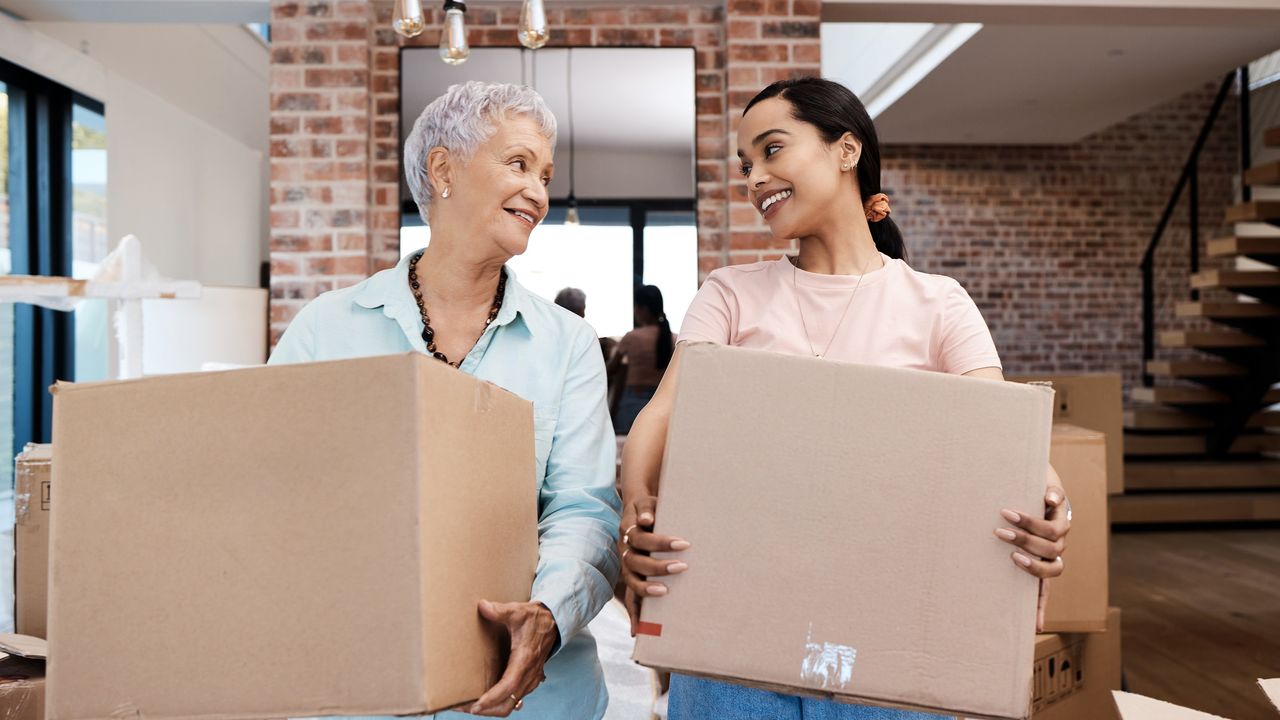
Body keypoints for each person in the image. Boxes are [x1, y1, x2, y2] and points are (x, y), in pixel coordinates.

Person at [617, 78, 1072, 719]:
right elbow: (663, 414)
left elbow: (1001, 439)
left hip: (890, 652)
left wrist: (1051, 508)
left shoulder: (937, 303)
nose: (754, 179)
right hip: (736, 642)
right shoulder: (730, 294)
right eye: (746, 165)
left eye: (773, 150)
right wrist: (635, 512)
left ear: (846, 149)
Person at [270, 81, 620, 720]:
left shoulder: (566, 343)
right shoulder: (326, 328)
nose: (539, 193)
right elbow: (272, 495)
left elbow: (584, 507)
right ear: (443, 169)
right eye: (518, 164)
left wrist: (547, 614)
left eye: (545, 174)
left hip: (536, 701)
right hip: (365, 687)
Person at [609, 285, 675, 435]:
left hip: (634, 401)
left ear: (643, 309)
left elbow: (611, 368)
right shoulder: (674, 339)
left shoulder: (632, 337)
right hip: (666, 401)